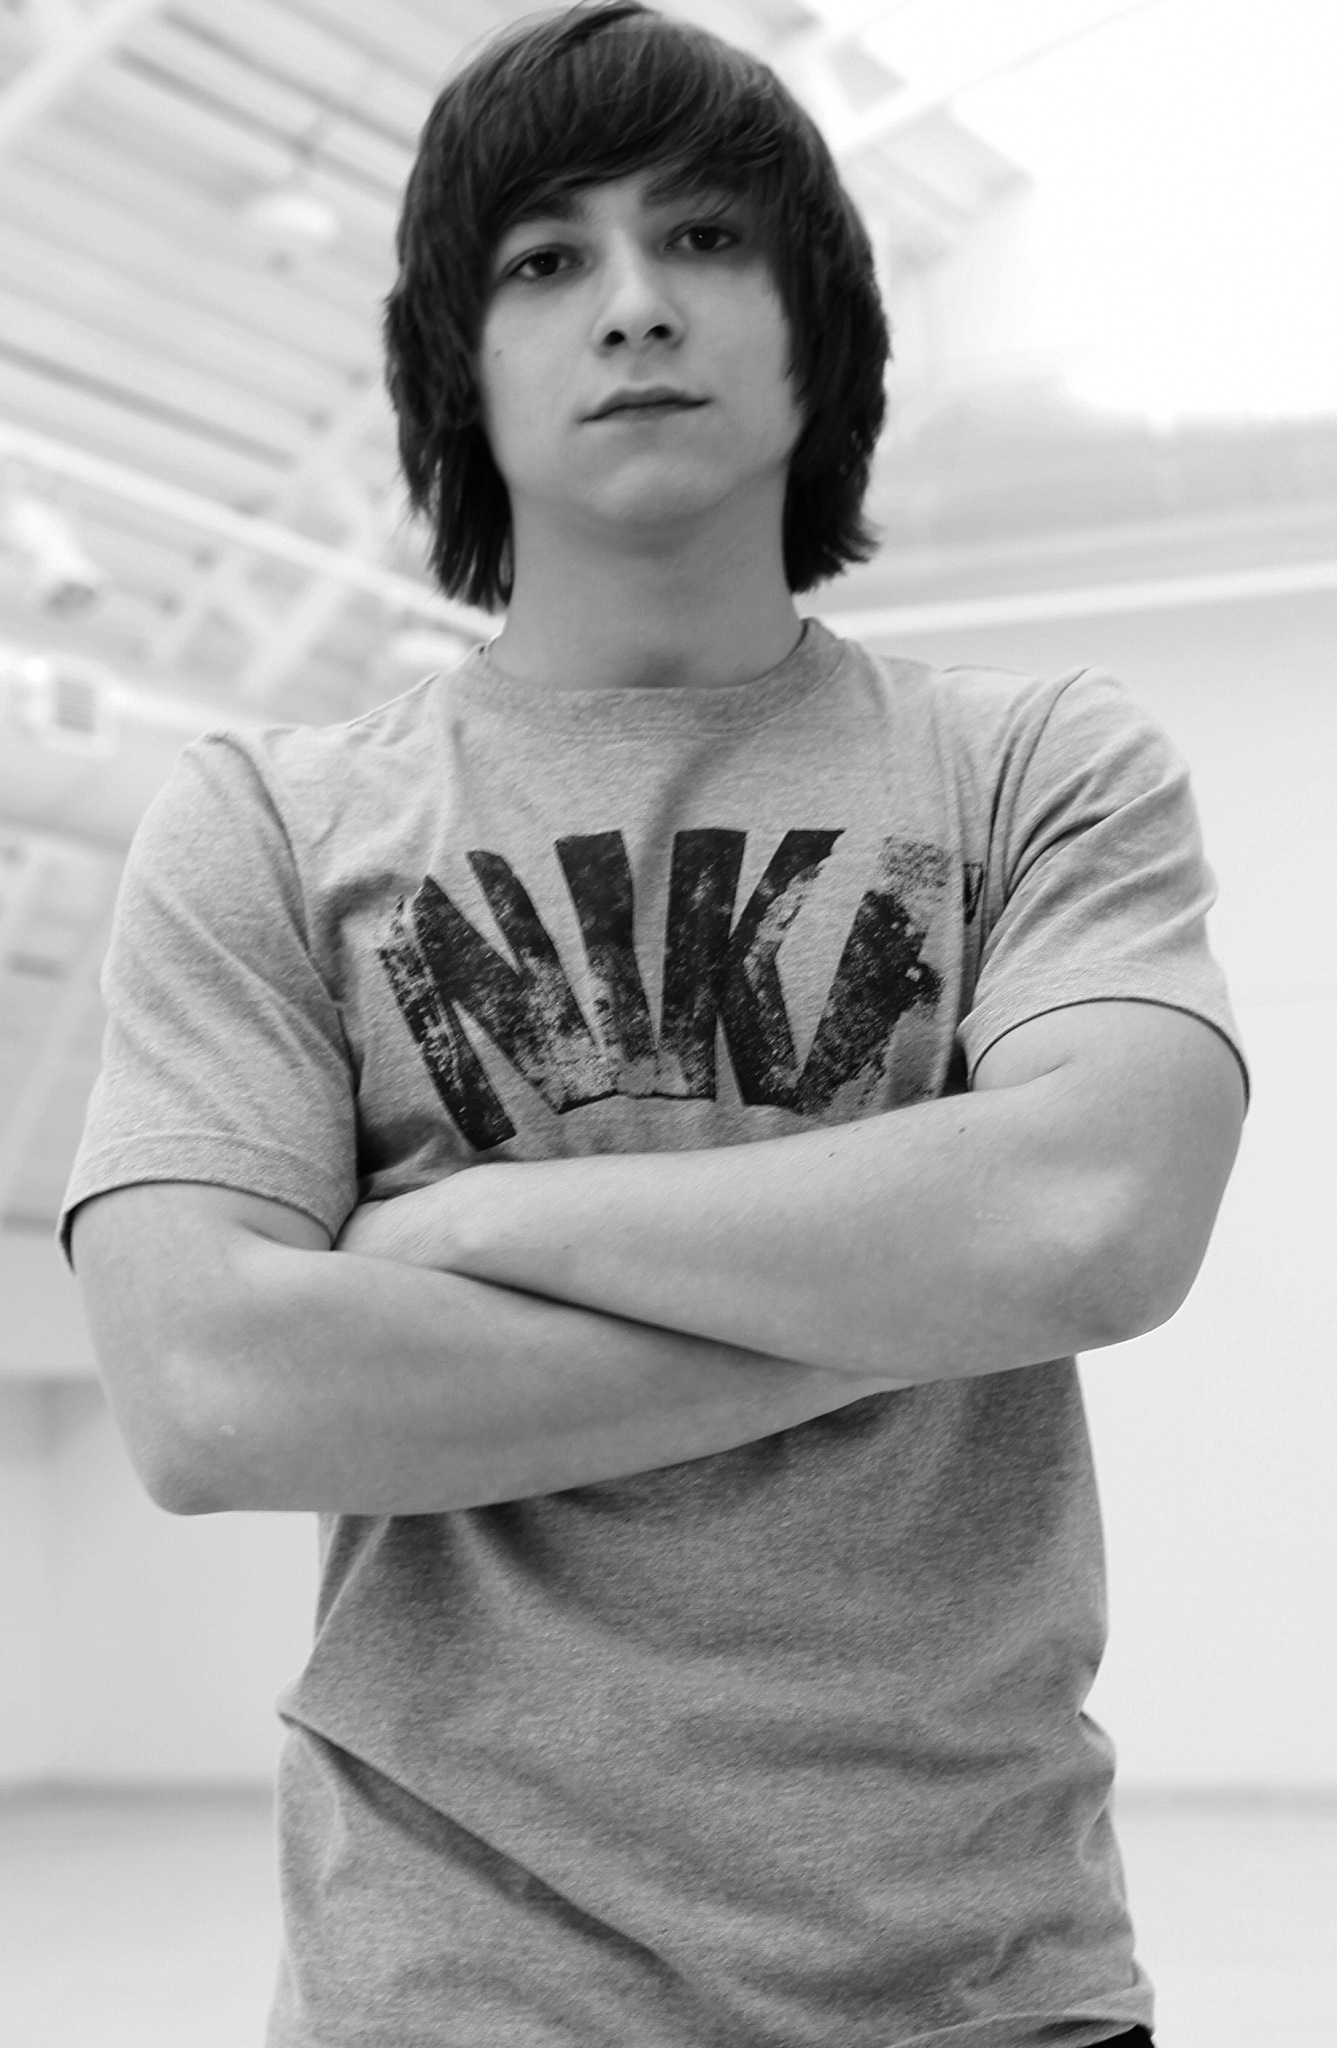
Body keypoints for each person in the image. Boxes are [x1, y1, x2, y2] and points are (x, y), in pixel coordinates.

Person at [63, 6, 1247, 2044]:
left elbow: (1094, 1217)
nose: (632, 304)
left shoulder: (1034, 766)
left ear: (819, 330)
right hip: (453, 1989)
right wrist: (912, 1282)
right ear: (458, 366)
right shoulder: (267, 820)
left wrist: (477, 1226)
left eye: (703, 238)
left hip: (977, 1986)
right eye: (547, 259)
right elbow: (209, 1389)